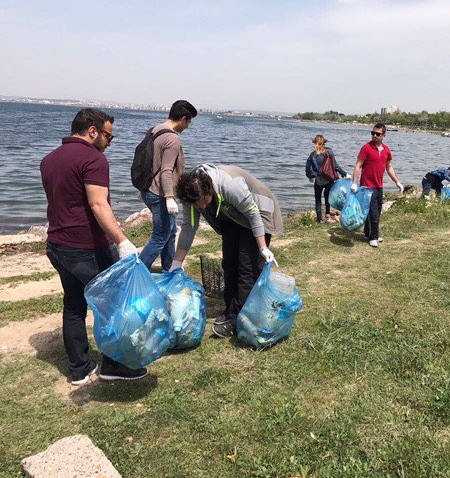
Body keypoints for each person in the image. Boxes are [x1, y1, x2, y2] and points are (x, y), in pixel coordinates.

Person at [40, 108, 145, 385]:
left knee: (74, 305)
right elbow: (98, 204)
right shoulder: (93, 159)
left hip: (57, 246)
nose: (110, 142)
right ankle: (115, 365)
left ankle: (79, 369)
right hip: (87, 247)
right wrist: (122, 241)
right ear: (93, 131)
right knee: (115, 304)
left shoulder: (49, 160)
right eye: (109, 136)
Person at [171, 164, 284, 338]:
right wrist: (177, 262)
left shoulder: (229, 185)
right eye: (196, 203)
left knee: (247, 268)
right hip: (232, 217)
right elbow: (188, 227)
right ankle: (231, 308)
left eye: (203, 200)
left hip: (259, 211)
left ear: (209, 189)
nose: (200, 206)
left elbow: (253, 214)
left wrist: (262, 247)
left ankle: (238, 319)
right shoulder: (191, 194)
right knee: (229, 264)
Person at [139, 100, 197, 271]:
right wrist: (170, 198)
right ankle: (134, 274)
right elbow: (166, 170)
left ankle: (169, 269)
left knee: (170, 232)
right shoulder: (172, 138)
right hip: (160, 193)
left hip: (148, 189)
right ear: (183, 118)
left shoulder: (155, 130)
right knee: (160, 236)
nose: (187, 127)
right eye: (189, 122)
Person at [351, 124, 403, 248]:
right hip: (367, 187)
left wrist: (397, 182)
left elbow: (389, 167)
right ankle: (373, 237)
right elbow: (358, 165)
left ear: (384, 136)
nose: (374, 135)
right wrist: (354, 183)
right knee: (373, 212)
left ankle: (368, 233)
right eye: (373, 133)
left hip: (379, 186)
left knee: (376, 211)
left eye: (378, 134)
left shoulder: (386, 150)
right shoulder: (366, 148)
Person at [305, 134, 349, 223]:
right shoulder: (329, 153)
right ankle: (327, 216)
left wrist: (310, 176)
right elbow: (336, 166)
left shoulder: (312, 155)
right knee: (327, 198)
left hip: (318, 181)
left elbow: (307, 167)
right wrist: (345, 174)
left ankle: (319, 219)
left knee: (318, 200)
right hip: (329, 179)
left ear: (315, 143)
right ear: (324, 143)